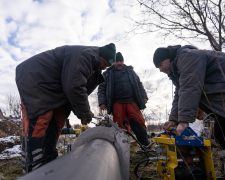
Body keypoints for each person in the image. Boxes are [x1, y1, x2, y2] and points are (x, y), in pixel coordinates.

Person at [16, 43, 116, 173]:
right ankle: (32, 168)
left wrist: (81, 110)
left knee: (58, 120)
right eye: (105, 63)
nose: (103, 68)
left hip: (55, 88)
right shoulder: (86, 55)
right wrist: (84, 112)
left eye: (107, 67)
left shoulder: (92, 64)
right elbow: (74, 86)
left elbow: (75, 87)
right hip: (35, 78)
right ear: (100, 56)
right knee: (40, 119)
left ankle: (49, 162)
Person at [153, 45, 225, 177]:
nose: (160, 69)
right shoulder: (179, 70)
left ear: (168, 58)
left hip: (221, 97)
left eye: (160, 64)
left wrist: (184, 121)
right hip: (220, 105)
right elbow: (180, 94)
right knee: (221, 135)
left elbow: (190, 87)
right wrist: (173, 119)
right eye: (158, 67)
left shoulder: (188, 57)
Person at [98, 52, 150, 147]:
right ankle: (122, 146)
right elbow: (101, 88)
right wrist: (102, 102)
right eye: (117, 61)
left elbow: (139, 84)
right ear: (114, 62)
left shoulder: (130, 71)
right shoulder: (107, 73)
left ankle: (145, 145)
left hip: (132, 101)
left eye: (121, 61)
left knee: (139, 122)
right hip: (116, 103)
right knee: (118, 126)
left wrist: (144, 96)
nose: (119, 63)